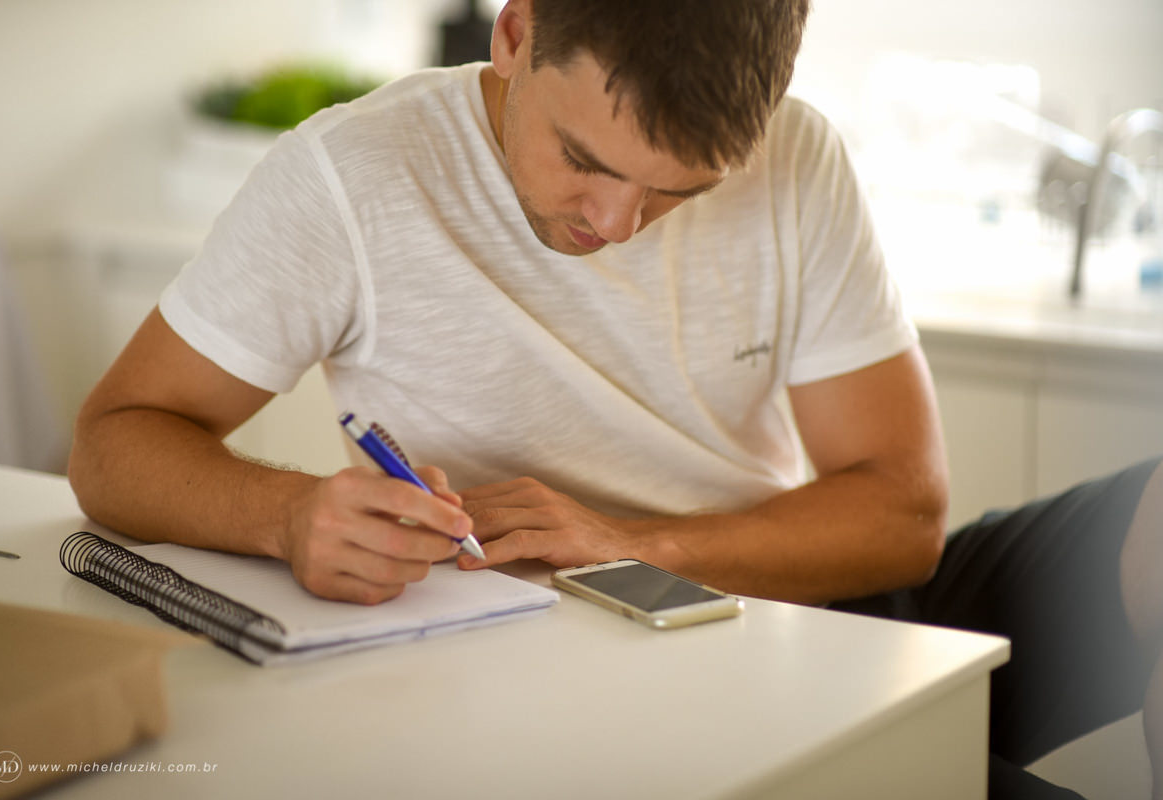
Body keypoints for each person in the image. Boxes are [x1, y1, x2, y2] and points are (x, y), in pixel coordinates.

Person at [68, 1, 1161, 797]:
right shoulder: (350, 178)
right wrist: (290, 515)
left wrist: (630, 539)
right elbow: (114, 442)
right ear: (514, 33)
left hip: (805, 603)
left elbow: (903, 519)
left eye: (681, 189)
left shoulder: (800, 156)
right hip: (651, 684)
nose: (617, 224)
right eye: (584, 158)